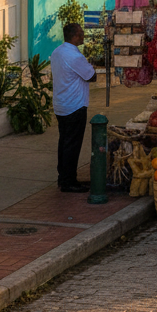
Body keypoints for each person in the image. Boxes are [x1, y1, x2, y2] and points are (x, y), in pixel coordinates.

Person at [51, 23, 97, 193]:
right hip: (74, 106)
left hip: (61, 105)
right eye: (81, 33)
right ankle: (68, 181)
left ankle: (63, 176)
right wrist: (90, 66)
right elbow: (91, 76)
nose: (83, 36)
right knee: (72, 144)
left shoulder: (57, 52)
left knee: (64, 141)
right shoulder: (74, 57)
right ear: (75, 36)